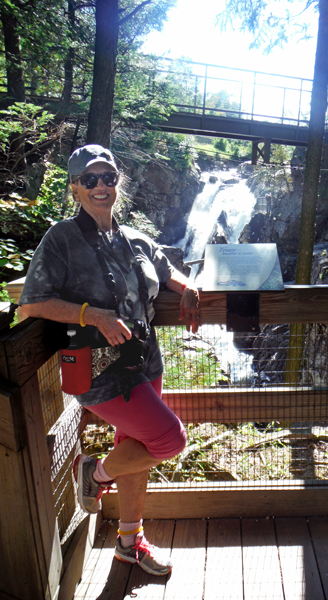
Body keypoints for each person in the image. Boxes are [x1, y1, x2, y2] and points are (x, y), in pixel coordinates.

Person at [19, 144, 202, 576]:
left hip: (144, 364)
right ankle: (94, 474)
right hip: (99, 372)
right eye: (90, 179)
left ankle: (128, 541)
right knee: (169, 440)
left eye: (108, 177)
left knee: (134, 447)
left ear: (118, 183)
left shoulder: (132, 236)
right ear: (75, 189)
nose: (101, 186)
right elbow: (33, 301)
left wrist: (187, 287)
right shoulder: (61, 238)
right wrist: (92, 315)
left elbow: (162, 266)